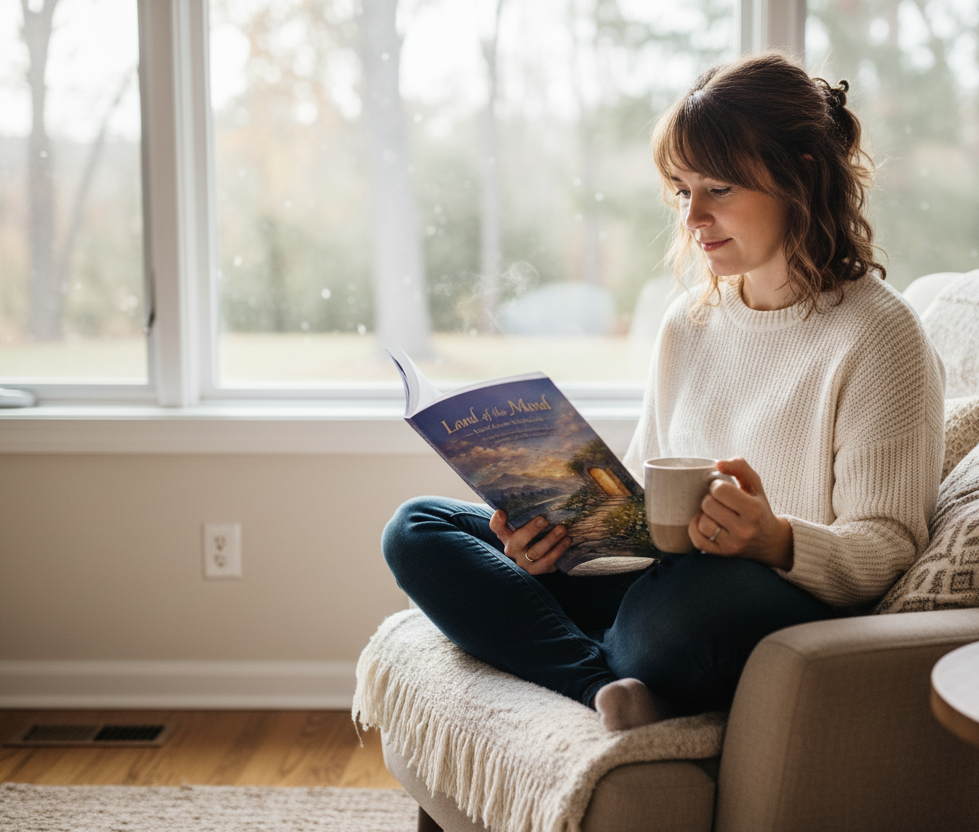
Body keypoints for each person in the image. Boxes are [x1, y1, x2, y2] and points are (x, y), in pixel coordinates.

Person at [383, 51, 945, 731]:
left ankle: (586, 653)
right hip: (659, 579)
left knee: (679, 612)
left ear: (801, 174)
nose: (693, 217)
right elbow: (644, 514)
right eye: (683, 191)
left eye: (719, 189)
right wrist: (548, 545)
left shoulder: (881, 336)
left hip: (760, 598)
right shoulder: (689, 323)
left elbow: (888, 545)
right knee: (418, 530)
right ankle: (602, 684)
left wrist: (774, 539)